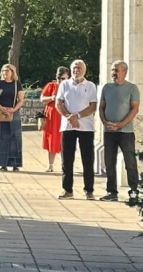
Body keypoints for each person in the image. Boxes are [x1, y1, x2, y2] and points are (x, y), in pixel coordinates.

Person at [56, 59, 98, 200]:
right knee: (67, 159)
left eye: (79, 68)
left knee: (87, 159)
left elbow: (93, 106)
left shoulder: (91, 85)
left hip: (86, 127)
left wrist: (77, 116)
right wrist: (69, 117)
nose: (76, 70)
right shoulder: (64, 84)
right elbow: (58, 103)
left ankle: (89, 190)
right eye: (74, 67)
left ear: (84, 70)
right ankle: (67, 190)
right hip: (67, 126)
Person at [99, 60, 140, 202]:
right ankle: (112, 192)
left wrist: (121, 124)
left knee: (130, 163)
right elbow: (101, 107)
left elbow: (135, 109)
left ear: (125, 72)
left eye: (116, 70)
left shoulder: (132, 88)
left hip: (126, 132)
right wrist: (105, 123)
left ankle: (134, 193)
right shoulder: (107, 88)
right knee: (109, 162)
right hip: (109, 131)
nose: (113, 73)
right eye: (112, 70)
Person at [0, 63, 24, 172]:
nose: (5, 73)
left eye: (7, 70)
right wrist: (3, 109)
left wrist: (12, 110)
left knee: (15, 138)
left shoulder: (17, 84)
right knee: (1, 138)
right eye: (4, 70)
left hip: (14, 114)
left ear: (12, 72)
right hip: (1, 113)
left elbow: (21, 100)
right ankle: (3, 164)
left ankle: (15, 164)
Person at [40, 67, 69, 172]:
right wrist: (52, 98)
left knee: (65, 141)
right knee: (52, 140)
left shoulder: (70, 87)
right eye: (58, 78)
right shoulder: (51, 86)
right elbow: (42, 99)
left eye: (62, 78)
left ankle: (65, 165)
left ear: (67, 77)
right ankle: (50, 164)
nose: (60, 81)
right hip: (52, 118)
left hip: (64, 117)